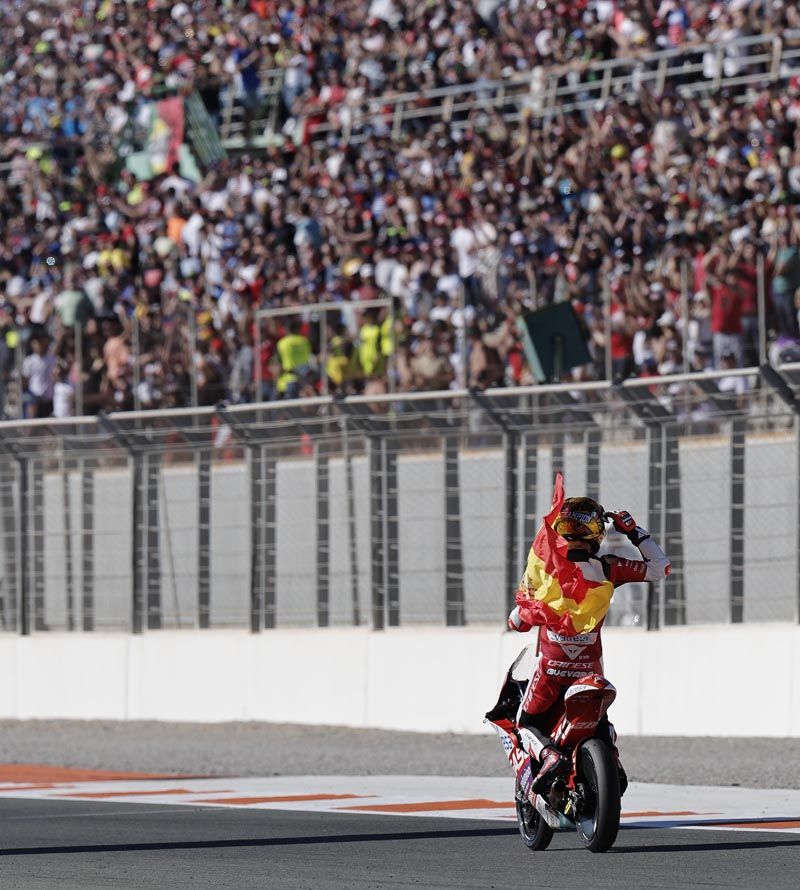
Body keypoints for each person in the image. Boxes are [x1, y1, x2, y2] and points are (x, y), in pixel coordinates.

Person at [491, 476, 670, 797]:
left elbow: (516, 622)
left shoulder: (546, 571)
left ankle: (548, 756)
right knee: (601, 721)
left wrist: (525, 612)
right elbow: (660, 568)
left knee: (526, 722)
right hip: (590, 670)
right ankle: (611, 759)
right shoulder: (609, 568)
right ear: (597, 534)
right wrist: (632, 530)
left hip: (551, 669)